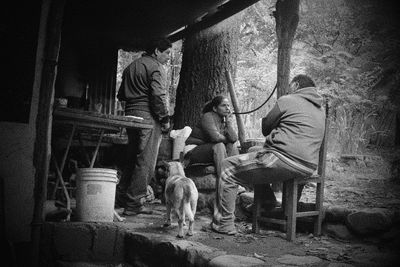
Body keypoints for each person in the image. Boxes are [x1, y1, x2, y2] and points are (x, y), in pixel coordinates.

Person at [211, 74, 326, 235]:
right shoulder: (320, 110)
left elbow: (266, 128)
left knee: (226, 167)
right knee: (253, 153)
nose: (287, 89)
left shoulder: (287, 100)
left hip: (282, 160)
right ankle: (267, 200)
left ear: (296, 85)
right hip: (307, 166)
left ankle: (223, 224)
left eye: (290, 86)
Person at [116, 37, 172, 215]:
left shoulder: (131, 66)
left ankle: (121, 197)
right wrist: (164, 118)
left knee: (132, 158)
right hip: (147, 117)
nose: (169, 57)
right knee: (146, 161)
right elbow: (157, 96)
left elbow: (121, 96)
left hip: (130, 116)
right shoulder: (156, 67)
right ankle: (133, 204)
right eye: (167, 53)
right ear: (157, 51)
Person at [185, 95, 239, 177]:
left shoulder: (223, 121)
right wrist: (228, 140)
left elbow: (234, 138)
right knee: (220, 146)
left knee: (232, 146)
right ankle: (225, 180)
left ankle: (235, 178)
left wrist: (228, 123)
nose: (227, 108)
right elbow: (215, 137)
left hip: (209, 150)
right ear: (214, 108)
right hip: (192, 151)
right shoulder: (208, 116)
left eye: (228, 105)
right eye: (223, 105)